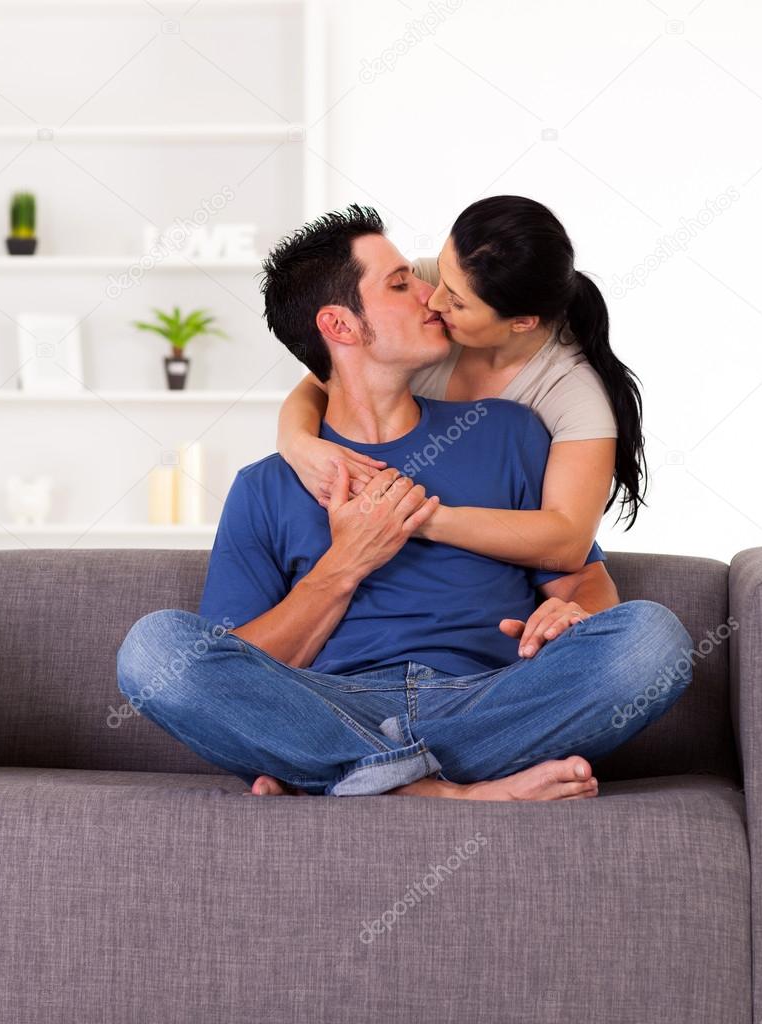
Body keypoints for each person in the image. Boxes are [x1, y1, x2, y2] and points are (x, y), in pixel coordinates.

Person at [116, 205, 692, 802]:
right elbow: (243, 668)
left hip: (489, 696)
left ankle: (359, 774)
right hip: (330, 703)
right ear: (340, 326)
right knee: (154, 650)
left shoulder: (510, 431)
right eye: (401, 283)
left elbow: (580, 577)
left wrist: (572, 616)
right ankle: (452, 791)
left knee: (654, 637)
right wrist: (346, 563)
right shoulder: (266, 485)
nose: (430, 295)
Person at [277, 195, 646, 573]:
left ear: (522, 322)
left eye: (455, 300)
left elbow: (569, 542)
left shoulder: (571, 395)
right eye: (437, 272)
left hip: (469, 565)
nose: (432, 300)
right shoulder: (429, 287)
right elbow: (330, 375)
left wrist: (406, 516)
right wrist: (297, 445)